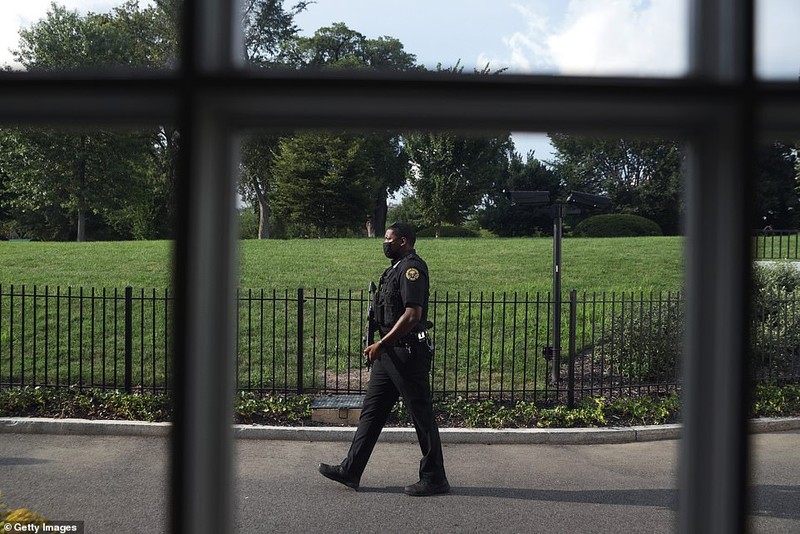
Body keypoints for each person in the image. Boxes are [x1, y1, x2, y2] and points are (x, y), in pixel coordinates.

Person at [318, 222, 449, 496]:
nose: (384, 243)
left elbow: (413, 315)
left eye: (388, 239)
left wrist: (382, 343)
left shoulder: (412, 269)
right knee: (372, 413)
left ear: (403, 241)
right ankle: (351, 470)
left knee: (421, 415)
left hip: (407, 354)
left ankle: (435, 477)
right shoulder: (393, 270)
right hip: (388, 355)